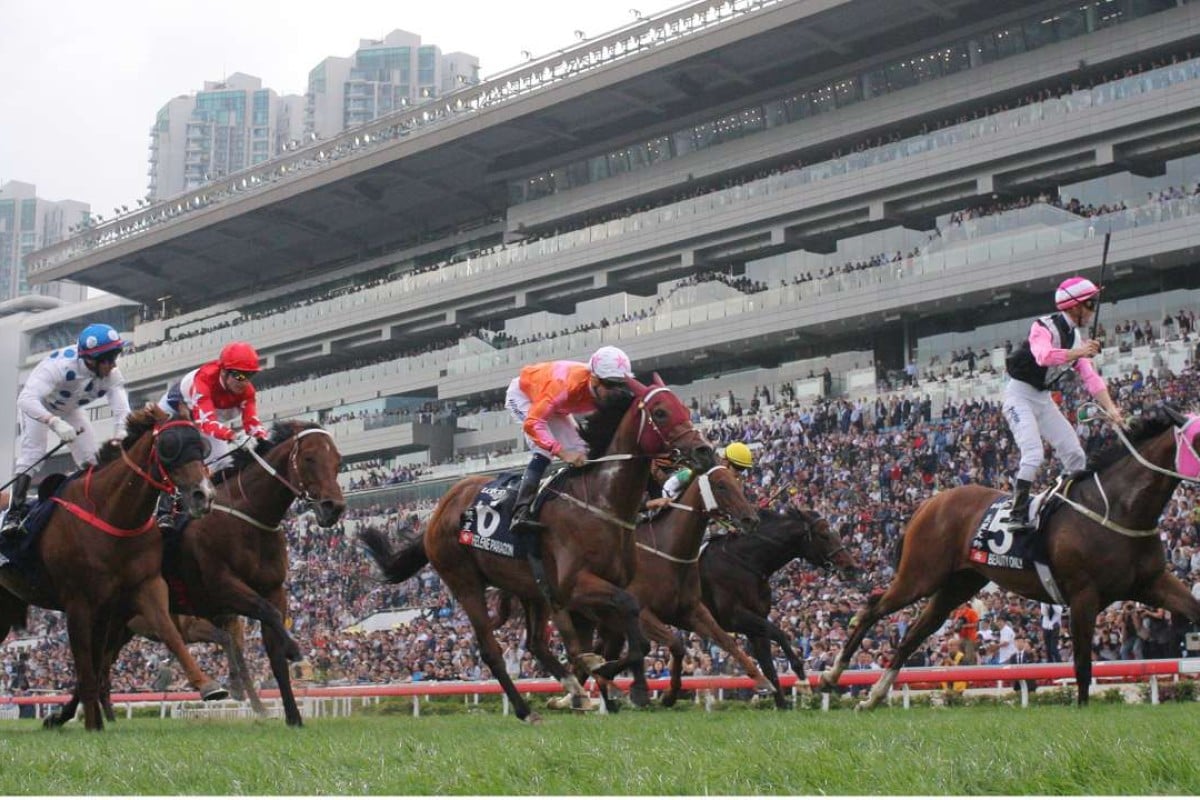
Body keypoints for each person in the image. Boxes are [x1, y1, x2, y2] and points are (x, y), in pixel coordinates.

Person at [504, 345, 635, 600]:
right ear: (594, 379)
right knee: (545, 449)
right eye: (611, 385)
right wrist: (561, 453)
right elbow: (534, 423)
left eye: (621, 385)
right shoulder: (565, 386)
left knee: (583, 450)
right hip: (525, 398)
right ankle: (521, 510)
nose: (616, 391)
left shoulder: (609, 385)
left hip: (557, 406)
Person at [1001, 277, 1125, 533]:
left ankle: (1074, 507)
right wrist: (1079, 352)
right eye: (1090, 304)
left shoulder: (1075, 337)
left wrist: (1111, 409)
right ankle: (1017, 512)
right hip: (1018, 396)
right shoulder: (1043, 327)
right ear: (1074, 307)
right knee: (1034, 453)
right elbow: (1043, 356)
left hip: (1043, 399)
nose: (1093, 310)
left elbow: (1091, 378)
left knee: (1075, 454)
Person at [2, 324, 131, 539]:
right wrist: (53, 422)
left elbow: (122, 411)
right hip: (40, 406)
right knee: (34, 454)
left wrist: (120, 437)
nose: (112, 365)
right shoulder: (59, 367)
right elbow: (25, 400)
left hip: (70, 409)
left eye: (114, 357)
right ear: (90, 359)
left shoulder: (112, 375)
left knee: (91, 460)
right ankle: (13, 515)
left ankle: (95, 507)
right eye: (107, 360)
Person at [158, 341, 269, 474]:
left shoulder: (248, 392)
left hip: (204, 419)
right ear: (223, 372)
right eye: (239, 376)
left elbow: (252, 424)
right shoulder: (204, 380)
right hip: (173, 410)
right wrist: (234, 436)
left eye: (249, 375)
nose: (244, 382)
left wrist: (264, 441)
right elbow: (206, 423)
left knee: (224, 464)